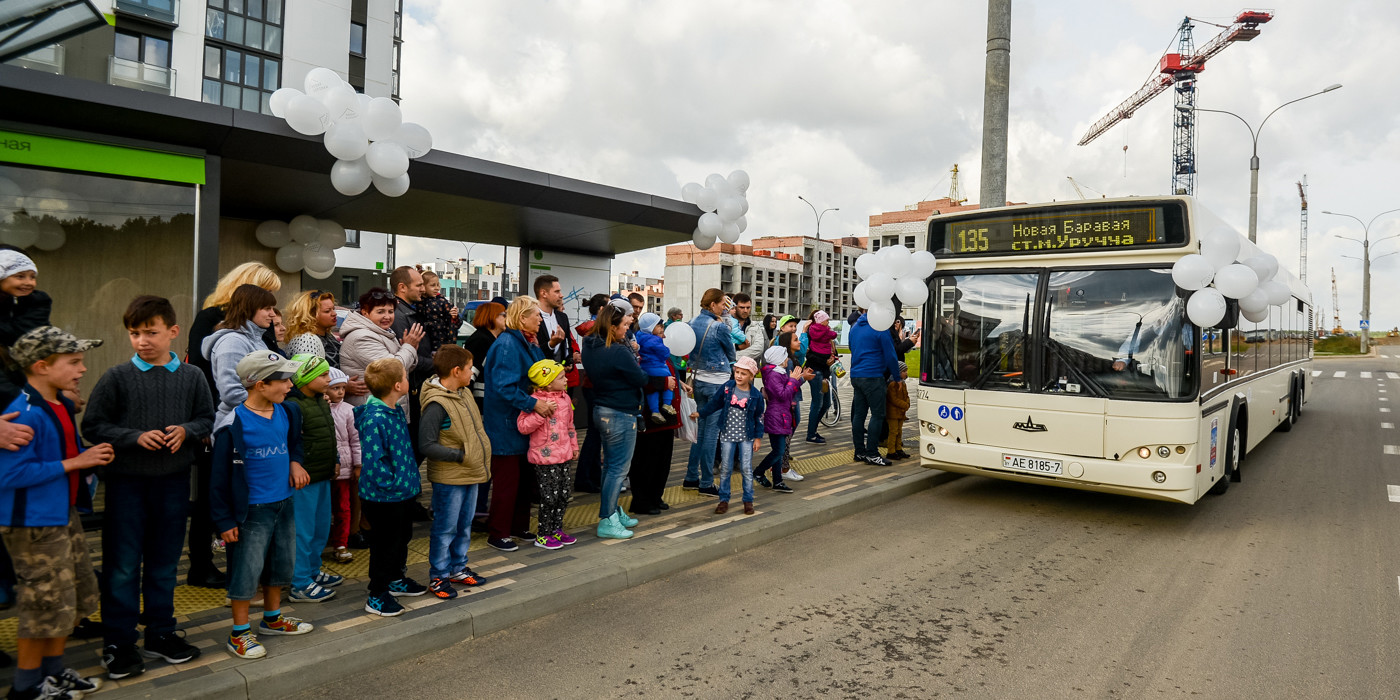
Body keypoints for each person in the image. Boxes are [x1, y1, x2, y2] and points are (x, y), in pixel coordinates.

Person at [81, 296, 213, 679]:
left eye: (150, 332)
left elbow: (206, 417)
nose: (142, 341)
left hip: (172, 484)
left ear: (172, 332)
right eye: (134, 333)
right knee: (122, 566)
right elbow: (93, 426)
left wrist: (187, 431)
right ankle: (119, 641)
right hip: (126, 486)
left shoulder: (192, 377)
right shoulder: (116, 377)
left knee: (164, 562)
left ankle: (160, 632)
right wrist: (133, 437)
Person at [0, 327, 113, 699]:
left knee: (70, 597)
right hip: (31, 524)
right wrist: (75, 462)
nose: (82, 370)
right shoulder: (24, 413)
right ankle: (26, 687)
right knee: (42, 604)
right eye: (74, 362)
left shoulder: (60, 404)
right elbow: (10, 474)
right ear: (41, 366)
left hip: (61, 515)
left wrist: (85, 462)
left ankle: (53, 672)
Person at [209, 350, 314, 660]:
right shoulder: (233, 425)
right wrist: (224, 521)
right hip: (251, 510)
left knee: (280, 564)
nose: (289, 385)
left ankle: (273, 618)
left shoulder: (288, 412)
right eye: (282, 380)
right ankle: (239, 633)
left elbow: (295, 443)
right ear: (259, 384)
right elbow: (217, 479)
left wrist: (295, 462)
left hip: (284, 503)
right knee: (246, 570)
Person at [185, 262, 281, 589]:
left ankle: (240, 564)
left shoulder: (255, 330)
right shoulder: (218, 326)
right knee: (216, 496)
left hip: (248, 419)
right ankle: (203, 564)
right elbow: (211, 378)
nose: (273, 311)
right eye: (268, 302)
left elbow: (273, 365)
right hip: (225, 421)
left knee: (236, 494)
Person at [354, 357, 427, 616]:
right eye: (406, 377)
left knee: (401, 538)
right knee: (385, 544)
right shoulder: (375, 418)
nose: (409, 381)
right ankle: (377, 593)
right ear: (398, 385)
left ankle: (396, 578)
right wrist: (393, 484)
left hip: (401, 492)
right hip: (385, 496)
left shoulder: (393, 410)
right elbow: (375, 461)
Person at [419, 345, 492, 599]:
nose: (472, 373)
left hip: (470, 472)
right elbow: (426, 444)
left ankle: (457, 568)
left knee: (464, 523)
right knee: (445, 527)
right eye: (470, 368)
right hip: (450, 477)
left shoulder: (463, 393)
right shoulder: (437, 404)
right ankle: (438, 575)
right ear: (456, 370)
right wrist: (460, 456)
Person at [481, 297, 548, 552]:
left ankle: (518, 526)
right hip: (507, 424)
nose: (540, 319)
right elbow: (503, 387)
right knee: (507, 483)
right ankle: (498, 532)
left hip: (522, 425)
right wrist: (534, 404)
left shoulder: (527, 341)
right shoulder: (508, 344)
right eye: (537, 315)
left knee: (524, 480)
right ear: (522, 319)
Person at [581, 303, 647, 539]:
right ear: (612, 326)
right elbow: (640, 377)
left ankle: (612, 511)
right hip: (620, 412)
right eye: (625, 326)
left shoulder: (589, 345)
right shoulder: (617, 351)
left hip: (602, 408)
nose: (627, 331)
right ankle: (607, 518)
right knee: (618, 469)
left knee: (609, 467)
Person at [283, 354, 344, 604]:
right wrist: (293, 466)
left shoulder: (320, 400)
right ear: (305, 378)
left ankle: (312, 571)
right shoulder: (293, 405)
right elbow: (289, 441)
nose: (328, 379)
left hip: (322, 475)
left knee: (319, 529)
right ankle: (299, 583)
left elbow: (329, 433)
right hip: (304, 479)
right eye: (323, 375)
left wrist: (336, 459)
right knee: (303, 532)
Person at [517, 360, 578, 550]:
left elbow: (570, 426)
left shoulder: (565, 399)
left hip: (564, 454)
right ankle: (543, 534)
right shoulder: (535, 401)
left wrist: (574, 446)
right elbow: (523, 426)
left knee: (563, 494)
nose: (566, 379)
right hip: (544, 458)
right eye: (561, 377)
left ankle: (556, 529)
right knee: (549, 497)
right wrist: (540, 414)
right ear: (548, 382)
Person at [683, 289, 736, 497]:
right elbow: (731, 352)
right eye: (723, 303)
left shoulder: (691, 322)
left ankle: (690, 477)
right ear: (712, 304)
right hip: (716, 384)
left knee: (700, 432)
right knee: (710, 435)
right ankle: (706, 482)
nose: (725, 307)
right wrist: (725, 321)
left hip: (697, 381)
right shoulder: (719, 327)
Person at [695, 356, 764, 515]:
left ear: (751, 377)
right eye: (737, 372)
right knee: (725, 468)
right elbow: (714, 404)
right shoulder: (727, 388)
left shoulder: (755, 396)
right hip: (727, 435)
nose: (739, 376)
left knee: (746, 468)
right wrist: (701, 413)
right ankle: (723, 499)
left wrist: (758, 438)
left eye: (743, 374)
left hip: (746, 437)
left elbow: (759, 416)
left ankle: (748, 500)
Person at [202, 284, 279, 424]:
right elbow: (232, 393)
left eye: (272, 308)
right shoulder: (232, 342)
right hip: (239, 423)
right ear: (249, 309)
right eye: (267, 308)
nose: (272, 314)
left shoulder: (257, 340)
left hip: (258, 419)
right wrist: (270, 406)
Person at [340, 288, 424, 408]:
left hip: (388, 406)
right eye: (380, 312)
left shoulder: (383, 332)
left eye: (390, 311)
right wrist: (409, 347)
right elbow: (393, 369)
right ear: (365, 312)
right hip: (373, 411)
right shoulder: (361, 337)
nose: (387, 316)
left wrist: (409, 349)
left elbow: (405, 369)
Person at [461, 301, 505, 525]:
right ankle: (477, 511)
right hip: (481, 404)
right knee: (483, 458)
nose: (506, 318)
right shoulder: (481, 340)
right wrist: (474, 409)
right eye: (502, 314)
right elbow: (471, 376)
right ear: (491, 317)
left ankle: (478, 508)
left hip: (487, 404)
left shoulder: (493, 339)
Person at [0, 249, 52, 407]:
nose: (29, 282)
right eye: (19, 276)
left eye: (32, 277)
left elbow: (29, 337)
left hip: (26, 386)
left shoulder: (35, 302)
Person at [849, 309, 899, 466]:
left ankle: (859, 451)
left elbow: (851, 347)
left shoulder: (855, 327)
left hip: (856, 375)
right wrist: (897, 377)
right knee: (878, 415)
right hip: (873, 375)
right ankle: (872, 453)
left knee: (859, 415)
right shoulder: (880, 328)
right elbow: (891, 355)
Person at [755, 346, 807, 494]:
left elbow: (788, 392)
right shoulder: (774, 375)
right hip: (776, 416)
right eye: (785, 357)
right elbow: (783, 395)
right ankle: (759, 471)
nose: (787, 360)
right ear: (778, 359)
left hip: (782, 415)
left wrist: (796, 380)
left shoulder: (778, 373)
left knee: (778, 450)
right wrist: (792, 381)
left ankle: (778, 481)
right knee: (779, 450)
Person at [571, 294, 609, 494]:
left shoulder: (593, 329)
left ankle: (591, 476)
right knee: (595, 434)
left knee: (597, 434)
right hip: (594, 385)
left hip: (591, 384)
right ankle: (585, 477)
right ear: (602, 310)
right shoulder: (596, 330)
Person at [324, 369, 360, 564]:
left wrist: (358, 464)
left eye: (343, 388)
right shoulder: (320, 408)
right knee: (322, 509)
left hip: (345, 471)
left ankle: (341, 543)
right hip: (323, 469)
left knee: (343, 507)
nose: (340, 392)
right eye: (335, 388)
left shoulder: (348, 410)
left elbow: (356, 440)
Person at [635, 313, 676, 424]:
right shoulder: (654, 340)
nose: (661, 329)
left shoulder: (638, 336)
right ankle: (667, 404)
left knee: (652, 391)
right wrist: (667, 350)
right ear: (651, 328)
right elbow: (664, 353)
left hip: (645, 368)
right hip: (658, 367)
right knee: (669, 383)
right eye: (659, 326)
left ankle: (655, 411)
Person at [804, 311, 838, 443]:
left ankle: (813, 430)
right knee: (817, 403)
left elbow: (832, 348)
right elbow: (809, 354)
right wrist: (825, 361)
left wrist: (832, 357)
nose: (827, 323)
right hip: (815, 371)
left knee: (826, 403)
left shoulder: (826, 332)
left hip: (824, 372)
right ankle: (811, 434)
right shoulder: (810, 333)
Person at [417, 271, 462, 353]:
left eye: (438, 285)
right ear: (423, 286)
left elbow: (456, 324)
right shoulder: (418, 302)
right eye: (432, 285)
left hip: (442, 346)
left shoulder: (442, 302)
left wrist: (454, 317)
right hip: (425, 346)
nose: (437, 288)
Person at [884, 361, 911, 460]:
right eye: (904, 371)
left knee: (899, 431)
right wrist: (905, 405)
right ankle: (891, 451)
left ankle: (898, 448)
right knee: (893, 431)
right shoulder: (892, 384)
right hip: (893, 413)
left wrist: (907, 403)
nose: (906, 373)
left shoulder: (902, 383)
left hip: (900, 412)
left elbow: (906, 395)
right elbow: (893, 399)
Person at [733, 293, 766, 365]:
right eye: (742, 307)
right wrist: (737, 347)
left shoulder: (755, 327)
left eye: (748, 308)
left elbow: (758, 349)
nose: (745, 310)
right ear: (734, 307)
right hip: (727, 369)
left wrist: (734, 356)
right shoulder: (727, 324)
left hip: (747, 370)